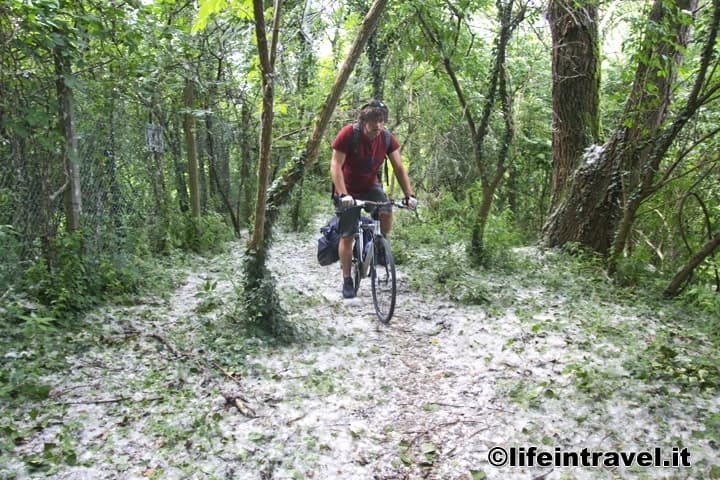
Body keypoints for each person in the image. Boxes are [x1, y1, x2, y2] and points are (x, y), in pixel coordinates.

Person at [330, 100, 417, 299]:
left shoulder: (386, 138)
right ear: (363, 121)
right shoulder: (348, 134)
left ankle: (379, 244)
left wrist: (409, 195)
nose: (378, 125)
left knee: (386, 211)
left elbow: (399, 167)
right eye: (373, 121)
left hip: (370, 186)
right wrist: (343, 195)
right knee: (348, 234)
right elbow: (335, 165)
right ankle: (347, 279)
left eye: (381, 121)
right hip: (347, 189)